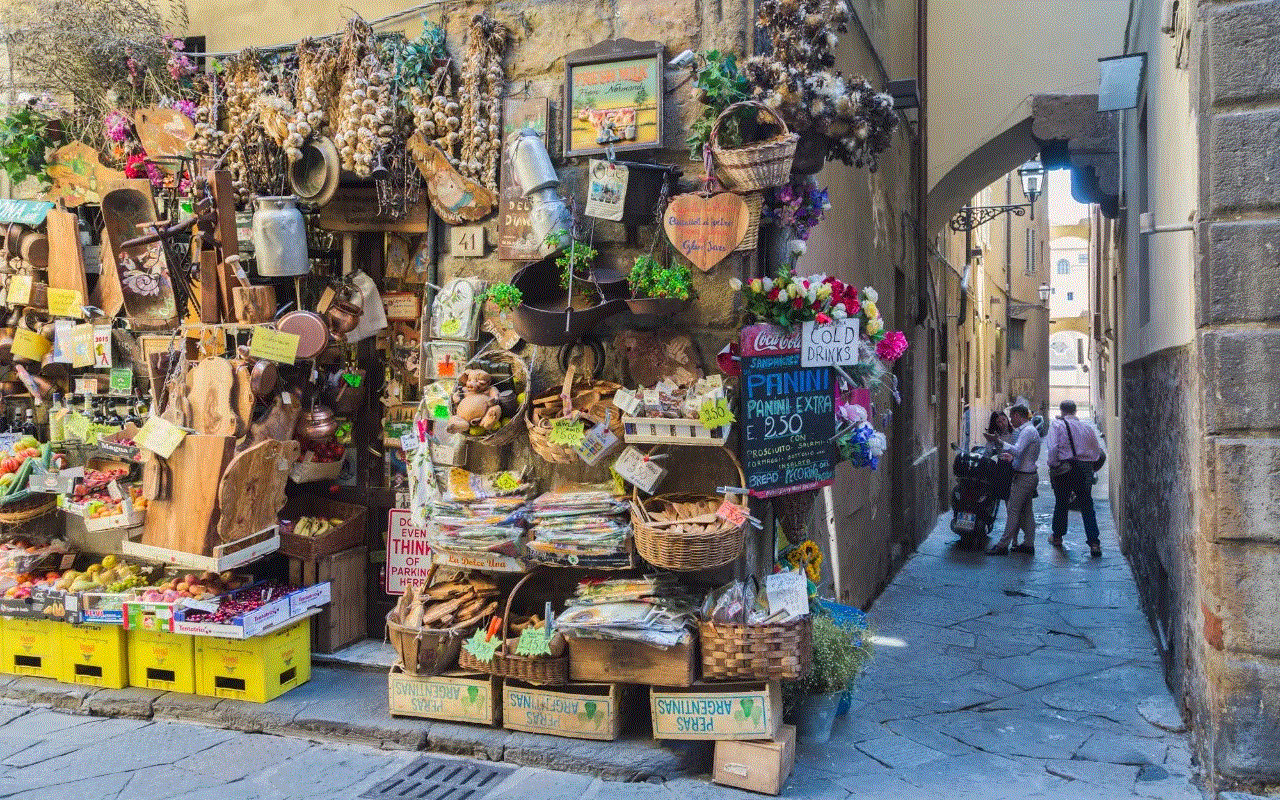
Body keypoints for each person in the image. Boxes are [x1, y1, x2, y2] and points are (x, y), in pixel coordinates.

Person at [1046, 400, 1105, 557]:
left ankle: (1057, 537)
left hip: (1065, 468)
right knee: (1086, 505)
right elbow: (1097, 451)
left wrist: (1053, 465)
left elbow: (1052, 448)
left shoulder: (1057, 425)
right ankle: (1094, 543)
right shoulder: (1087, 427)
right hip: (1084, 469)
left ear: (1062, 410)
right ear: (1075, 411)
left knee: (1062, 503)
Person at [985, 404, 1040, 555]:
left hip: (1024, 477)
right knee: (1026, 511)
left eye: (1010, 417)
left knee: (1013, 511)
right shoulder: (1027, 430)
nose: (1010, 420)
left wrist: (999, 442)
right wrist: (1011, 457)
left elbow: (1017, 450)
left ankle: (1003, 545)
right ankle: (1028, 544)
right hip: (1027, 474)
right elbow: (1021, 454)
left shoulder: (1027, 431)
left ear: (1016, 416)